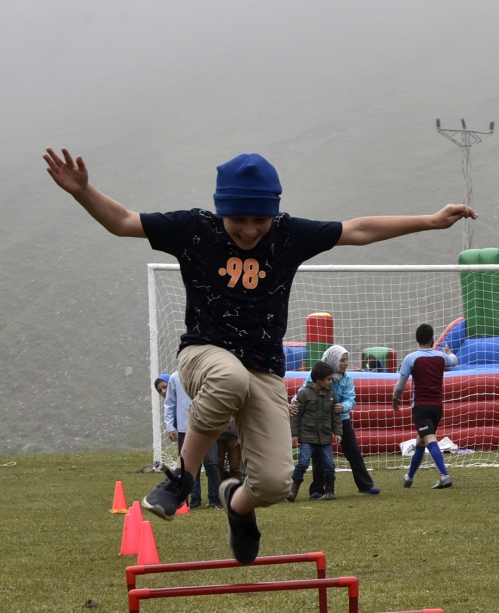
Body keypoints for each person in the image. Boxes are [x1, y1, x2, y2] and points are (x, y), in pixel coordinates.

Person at [44, 147, 474, 563]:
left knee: (272, 484)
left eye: (259, 220)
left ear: (274, 213)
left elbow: (358, 230)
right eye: (238, 220)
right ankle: (181, 479)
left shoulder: (288, 234)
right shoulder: (195, 229)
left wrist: (432, 222)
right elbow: (122, 222)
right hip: (203, 354)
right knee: (229, 378)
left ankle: (238, 505)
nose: (249, 230)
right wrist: (82, 190)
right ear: (220, 211)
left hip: (264, 369)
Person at [298, 346, 378, 495]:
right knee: (318, 454)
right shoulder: (315, 375)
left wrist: (344, 407)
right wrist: (294, 403)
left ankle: (365, 485)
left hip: (341, 419)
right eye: (342, 360)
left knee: (353, 451)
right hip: (320, 421)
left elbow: (350, 399)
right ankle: (317, 489)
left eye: (347, 359)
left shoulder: (347, 379)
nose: (346, 363)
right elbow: (302, 393)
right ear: (333, 360)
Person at [393, 323, 458, 489]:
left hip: (421, 407)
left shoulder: (411, 358)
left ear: (417, 340)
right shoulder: (440, 357)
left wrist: (395, 399)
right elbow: (454, 362)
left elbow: (400, 385)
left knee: (429, 438)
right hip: (437, 407)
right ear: (432, 339)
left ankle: (444, 475)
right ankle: (409, 477)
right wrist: (449, 353)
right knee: (421, 441)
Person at [162, 370, 222, 510]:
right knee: (188, 465)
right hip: (185, 428)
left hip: (207, 425)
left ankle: (217, 498)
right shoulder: (175, 378)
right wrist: (170, 427)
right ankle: (194, 499)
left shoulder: (207, 374)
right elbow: (169, 403)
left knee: (211, 462)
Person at [288, 360, 338, 501]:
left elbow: (335, 416)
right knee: (303, 463)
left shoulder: (331, 395)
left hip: (325, 438)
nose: (331, 382)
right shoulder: (303, 394)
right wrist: (294, 434)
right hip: (307, 437)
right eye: (328, 379)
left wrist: (338, 432)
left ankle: (329, 491)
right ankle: (293, 490)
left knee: (329, 465)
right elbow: (296, 415)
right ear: (318, 379)